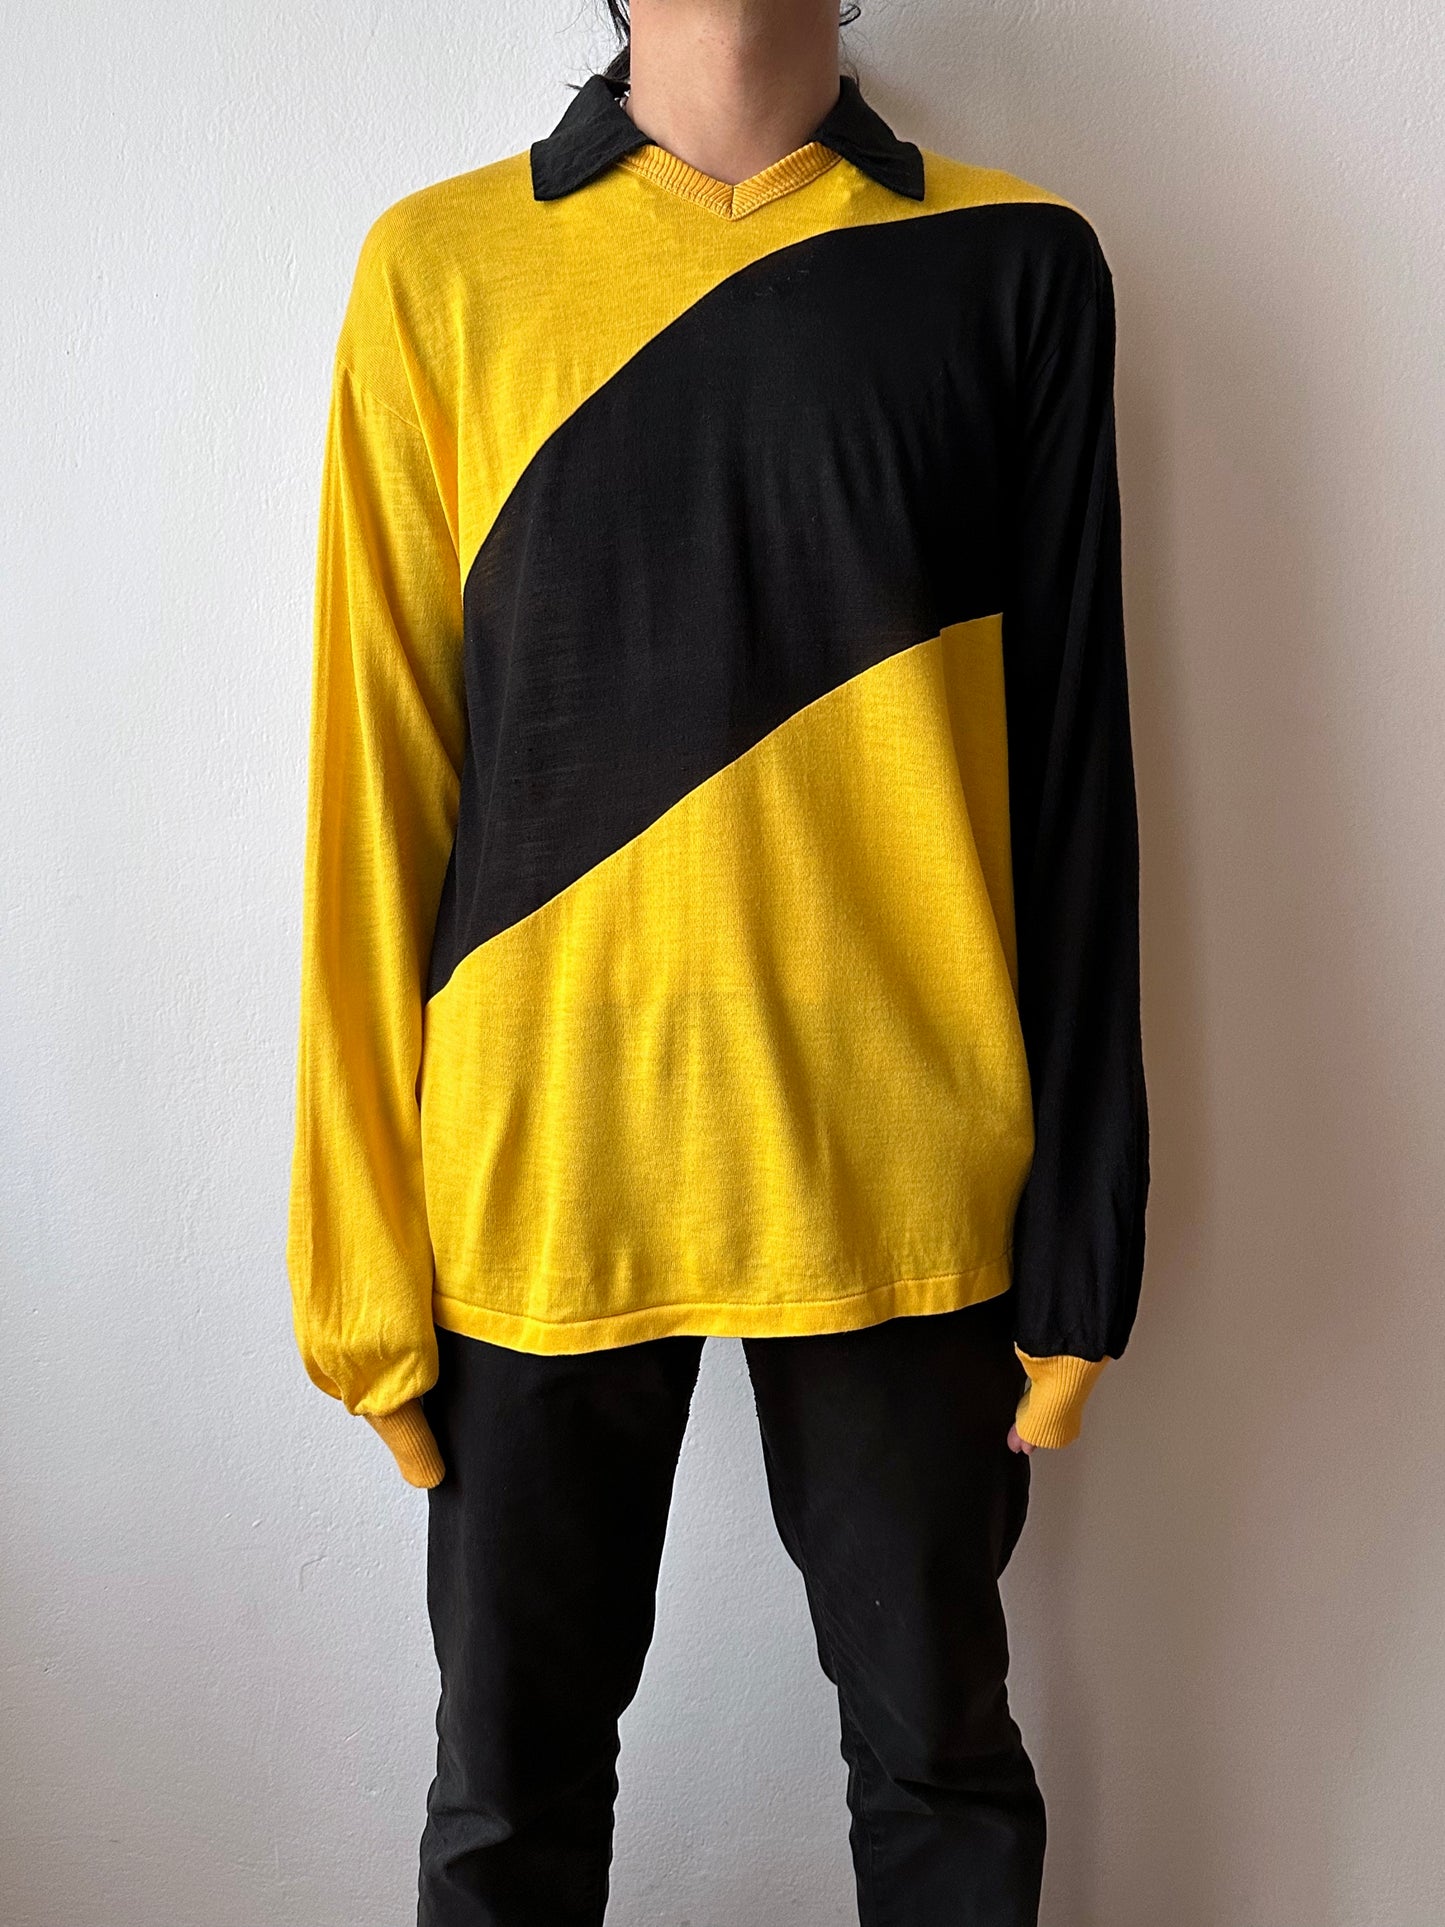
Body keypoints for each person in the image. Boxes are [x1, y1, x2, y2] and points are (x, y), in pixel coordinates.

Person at [285, 0, 1150, 1920]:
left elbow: (1072, 780)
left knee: (940, 1768)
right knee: (506, 1806)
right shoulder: (442, 267)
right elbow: (377, 785)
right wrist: (355, 1263)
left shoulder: (1011, 265)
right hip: (538, 1166)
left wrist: (1083, 1241)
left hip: (904, 1163)